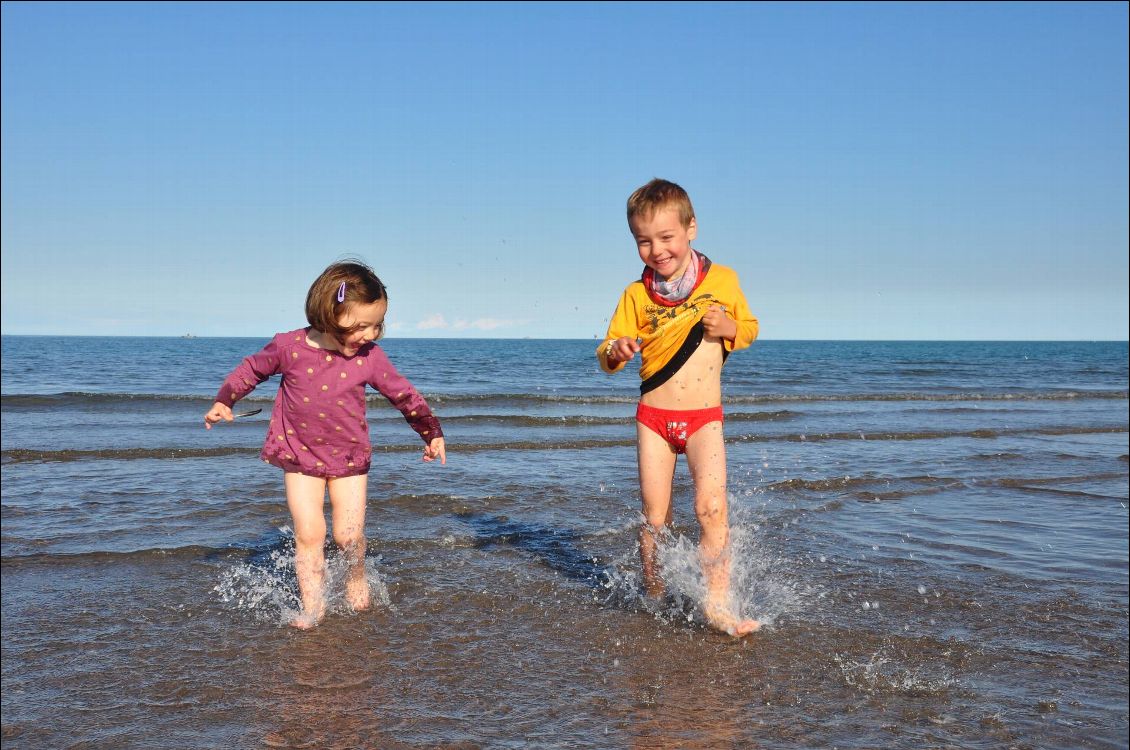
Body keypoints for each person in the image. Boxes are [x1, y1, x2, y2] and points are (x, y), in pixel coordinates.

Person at [204, 260, 446, 629]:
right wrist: (226, 400)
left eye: (377, 324)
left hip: (349, 458)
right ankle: (313, 607)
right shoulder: (290, 347)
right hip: (299, 455)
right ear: (329, 313)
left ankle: (356, 575)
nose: (371, 334)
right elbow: (251, 369)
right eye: (362, 325)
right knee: (309, 533)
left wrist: (431, 432)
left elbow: (404, 395)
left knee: (348, 535)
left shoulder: (370, 358)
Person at [597, 179, 760, 636]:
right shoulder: (636, 294)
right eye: (643, 241)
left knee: (711, 509)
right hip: (653, 420)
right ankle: (653, 592)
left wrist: (730, 324)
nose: (656, 249)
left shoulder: (722, 280)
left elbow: (748, 328)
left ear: (691, 229)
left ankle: (718, 603)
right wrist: (619, 348)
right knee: (655, 516)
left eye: (666, 237)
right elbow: (606, 352)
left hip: (705, 418)